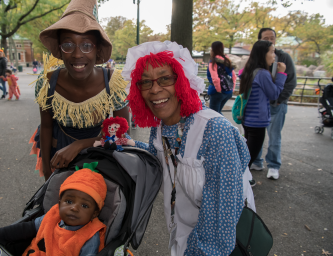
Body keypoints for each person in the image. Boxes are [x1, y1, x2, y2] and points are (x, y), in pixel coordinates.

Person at [122, 41, 253, 256]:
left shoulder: (215, 132)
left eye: (165, 78)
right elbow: (160, 160)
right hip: (181, 236)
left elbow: (219, 227)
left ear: (183, 80)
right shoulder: (161, 126)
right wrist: (128, 144)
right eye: (145, 82)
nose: (155, 89)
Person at [29, 0, 129, 181]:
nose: (77, 54)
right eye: (68, 45)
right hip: (58, 158)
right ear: (59, 48)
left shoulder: (113, 83)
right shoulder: (47, 84)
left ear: (97, 48)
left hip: (99, 154)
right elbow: (46, 126)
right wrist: (47, 173)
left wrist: (80, 145)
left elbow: (121, 135)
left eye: (87, 45)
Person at [0, 167, 107, 256]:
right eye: (69, 202)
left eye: (84, 205)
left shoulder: (89, 237)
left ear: (95, 213)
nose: (74, 208)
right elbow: (27, 228)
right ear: (59, 204)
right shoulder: (53, 216)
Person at [239, 40, 287, 186]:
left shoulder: (249, 70)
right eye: (271, 52)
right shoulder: (263, 74)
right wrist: (281, 74)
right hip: (257, 121)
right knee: (249, 156)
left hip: (248, 119)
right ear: (262, 54)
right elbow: (274, 94)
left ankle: (243, 179)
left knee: (247, 152)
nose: (274, 56)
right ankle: (240, 182)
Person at [251, 28, 297, 180]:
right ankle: (256, 161)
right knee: (258, 136)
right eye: (266, 38)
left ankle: (273, 165)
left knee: (274, 136)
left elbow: (289, 82)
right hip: (260, 107)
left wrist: (278, 100)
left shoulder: (284, 58)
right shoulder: (258, 65)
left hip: (277, 104)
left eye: (272, 38)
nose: (270, 40)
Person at [207, 41, 237, 114]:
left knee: (213, 114)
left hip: (218, 92)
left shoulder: (213, 62)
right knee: (218, 112)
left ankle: (225, 125)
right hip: (228, 91)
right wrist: (232, 88)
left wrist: (218, 90)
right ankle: (225, 124)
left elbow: (215, 78)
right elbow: (234, 76)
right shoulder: (227, 60)